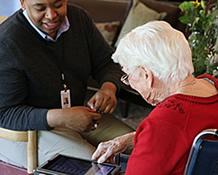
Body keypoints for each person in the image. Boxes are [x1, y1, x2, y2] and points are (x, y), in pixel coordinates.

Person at [0, 0, 133, 169]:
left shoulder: (79, 18)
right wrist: (62, 117)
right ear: (23, 3)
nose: (51, 15)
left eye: (58, 5)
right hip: (30, 131)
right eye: (40, 8)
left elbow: (108, 62)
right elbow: (4, 114)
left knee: (143, 146)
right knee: (98, 170)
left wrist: (109, 88)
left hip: (80, 114)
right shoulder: (7, 42)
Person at [92, 21, 218, 174]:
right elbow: (185, 134)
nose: (129, 83)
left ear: (146, 75)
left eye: (128, 75)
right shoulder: (212, 85)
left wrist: (149, 137)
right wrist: (131, 139)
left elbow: (168, 131)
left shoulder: (162, 123)